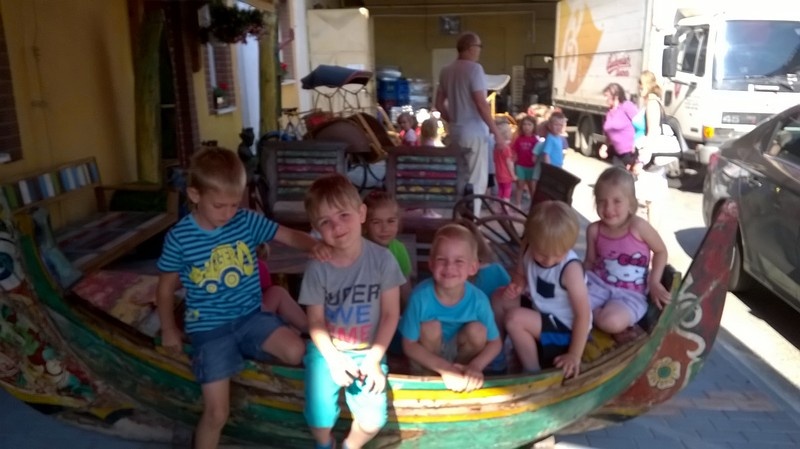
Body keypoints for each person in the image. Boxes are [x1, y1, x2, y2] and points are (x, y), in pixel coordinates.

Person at [155, 147, 329, 449]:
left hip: (251, 316)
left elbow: (288, 235)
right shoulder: (179, 238)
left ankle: (249, 365)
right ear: (194, 195)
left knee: (295, 351)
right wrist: (169, 329)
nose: (228, 214)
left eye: (234, 204)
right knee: (217, 413)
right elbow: (164, 288)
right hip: (210, 329)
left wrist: (315, 246)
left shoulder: (245, 221)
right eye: (219, 205)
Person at [299, 173, 405, 449]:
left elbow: (390, 314)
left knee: (372, 421)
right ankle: (325, 444)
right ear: (316, 229)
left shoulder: (383, 260)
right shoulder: (318, 267)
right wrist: (334, 359)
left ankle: (350, 446)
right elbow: (315, 321)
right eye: (326, 222)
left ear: (361, 214)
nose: (337, 226)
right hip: (328, 350)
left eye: (343, 215)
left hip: (368, 351)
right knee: (318, 420)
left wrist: (373, 359)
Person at [399, 224, 502, 392]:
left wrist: (476, 366)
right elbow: (409, 345)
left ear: (473, 267)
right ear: (431, 263)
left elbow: (495, 342)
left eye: (459, 261)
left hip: (460, 357)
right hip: (428, 360)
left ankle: (463, 374)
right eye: (442, 260)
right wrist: (444, 368)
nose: (449, 267)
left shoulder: (479, 300)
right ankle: (432, 380)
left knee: (478, 330)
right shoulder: (420, 297)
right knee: (430, 327)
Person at [494, 201, 591, 377]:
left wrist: (574, 354)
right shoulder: (527, 248)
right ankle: (496, 352)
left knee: (515, 319)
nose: (549, 260)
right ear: (531, 241)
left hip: (566, 329)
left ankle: (532, 371)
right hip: (541, 311)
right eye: (542, 253)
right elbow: (520, 275)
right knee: (499, 298)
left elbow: (583, 315)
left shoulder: (570, 270)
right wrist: (517, 286)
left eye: (558, 254)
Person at [584, 167, 671, 335]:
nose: (608, 208)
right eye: (602, 201)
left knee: (611, 322)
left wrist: (654, 282)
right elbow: (589, 263)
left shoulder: (639, 227)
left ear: (631, 204)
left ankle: (588, 315)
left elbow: (661, 251)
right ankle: (585, 314)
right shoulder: (594, 230)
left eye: (617, 201)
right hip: (597, 286)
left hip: (630, 295)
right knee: (565, 304)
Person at [436, 31, 504, 218]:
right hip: (474, 132)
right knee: (476, 182)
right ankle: (472, 224)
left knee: (460, 178)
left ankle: (458, 218)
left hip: (456, 131)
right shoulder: (475, 69)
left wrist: (454, 120)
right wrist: (497, 134)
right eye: (479, 46)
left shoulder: (446, 71)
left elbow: (439, 104)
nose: (480, 50)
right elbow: (481, 104)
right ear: (469, 48)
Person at [363, 190, 414, 307]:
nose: (384, 228)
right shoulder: (358, 248)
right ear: (365, 223)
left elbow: (405, 290)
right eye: (376, 222)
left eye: (390, 221)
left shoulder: (399, 250)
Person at [255, 244, 308, 333]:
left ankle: (309, 328)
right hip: (249, 318)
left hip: (256, 313)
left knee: (277, 292)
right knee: (277, 292)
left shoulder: (258, 266)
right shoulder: (257, 266)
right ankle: (309, 328)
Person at [598, 83, 638, 172]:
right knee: (616, 176)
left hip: (630, 152)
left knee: (627, 177)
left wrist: (636, 144)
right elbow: (609, 134)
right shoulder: (609, 112)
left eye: (607, 96)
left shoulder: (626, 106)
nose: (605, 99)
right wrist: (604, 147)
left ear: (615, 96)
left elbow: (640, 125)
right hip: (617, 153)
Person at [531, 112, 569, 192]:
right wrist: (548, 168)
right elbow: (546, 154)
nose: (558, 127)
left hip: (557, 167)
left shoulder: (559, 138)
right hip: (551, 167)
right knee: (547, 187)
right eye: (556, 125)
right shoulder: (550, 138)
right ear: (550, 126)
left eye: (561, 125)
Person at [511, 115, 538, 208]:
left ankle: (534, 206)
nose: (527, 127)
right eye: (524, 124)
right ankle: (517, 204)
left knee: (531, 187)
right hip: (520, 166)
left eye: (529, 124)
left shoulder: (535, 140)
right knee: (520, 186)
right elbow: (514, 152)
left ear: (534, 126)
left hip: (531, 167)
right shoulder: (519, 139)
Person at [493, 119, 516, 202]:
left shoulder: (496, 148)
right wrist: (513, 175)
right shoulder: (507, 149)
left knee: (500, 190)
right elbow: (509, 163)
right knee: (507, 191)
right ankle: (505, 207)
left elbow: (494, 160)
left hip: (498, 173)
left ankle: (499, 205)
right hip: (506, 174)